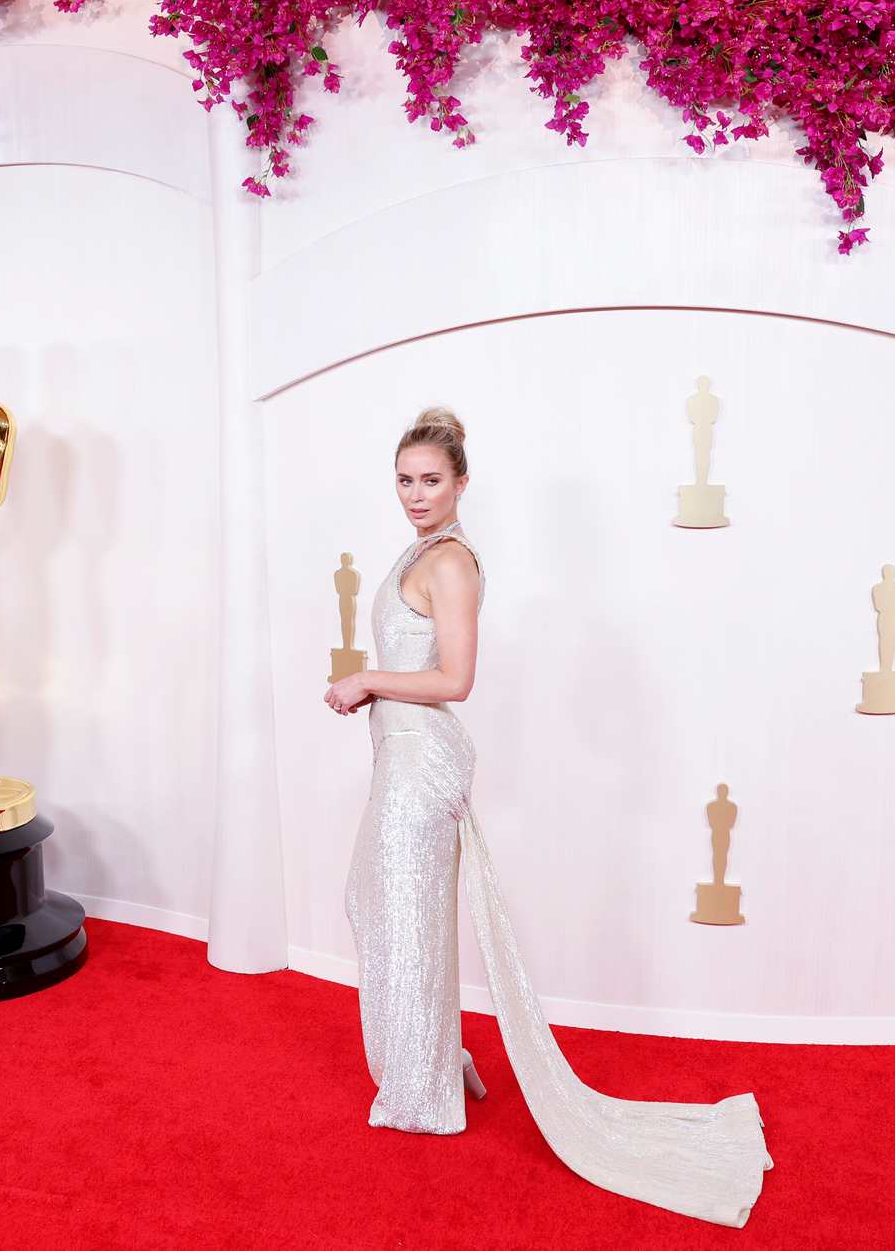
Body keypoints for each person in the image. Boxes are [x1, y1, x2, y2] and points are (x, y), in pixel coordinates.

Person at [325, 407, 771, 1227]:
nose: (415, 495)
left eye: (430, 481)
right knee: (380, 910)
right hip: (404, 758)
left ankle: (422, 1089)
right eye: (403, 480)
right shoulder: (415, 552)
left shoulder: (449, 562)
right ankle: (432, 1053)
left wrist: (368, 680)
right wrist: (377, 687)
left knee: (402, 921)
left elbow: (455, 679)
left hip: (423, 764)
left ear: (461, 485)